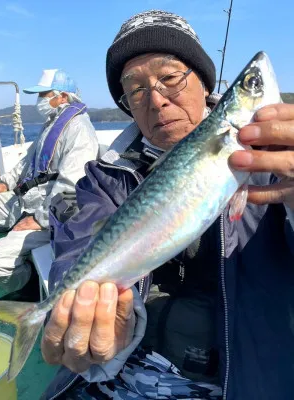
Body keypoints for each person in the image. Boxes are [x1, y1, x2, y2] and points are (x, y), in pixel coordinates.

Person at [41, 10, 294, 400]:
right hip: (112, 378)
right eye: (136, 90)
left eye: (170, 77)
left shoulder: (274, 165)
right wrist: (84, 316)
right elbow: (74, 252)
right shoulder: (106, 179)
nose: (156, 100)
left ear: (204, 83)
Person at [0, 69, 99, 299]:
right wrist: (4, 183)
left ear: (62, 97)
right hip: (26, 200)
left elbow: (72, 188)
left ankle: (25, 279)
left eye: (44, 95)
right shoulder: (52, 124)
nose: (40, 101)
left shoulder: (80, 131)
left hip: (50, 215)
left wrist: (40, 220)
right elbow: (26, 162)